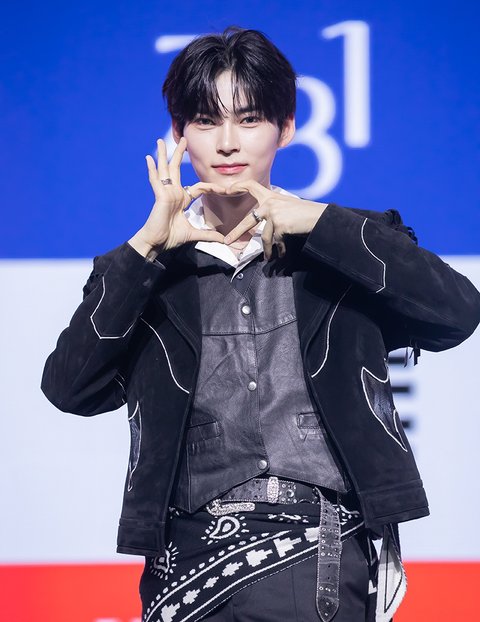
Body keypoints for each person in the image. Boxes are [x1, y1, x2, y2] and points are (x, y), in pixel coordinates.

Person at [41, 27, 480, 622]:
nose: (227, 142)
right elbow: (69, 389)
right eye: (205, 121)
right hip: (186, 568)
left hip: (319, 555)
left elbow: (457, 313)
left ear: (286, 127)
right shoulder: (147, 270)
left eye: (248, 120)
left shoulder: (347, 245)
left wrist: (322, 224)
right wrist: (145, 250)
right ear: (179, 133)